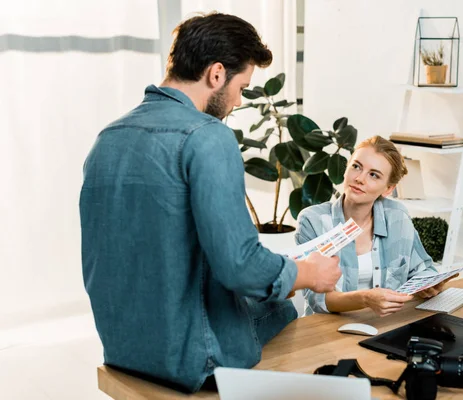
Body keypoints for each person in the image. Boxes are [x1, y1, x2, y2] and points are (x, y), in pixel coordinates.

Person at [79, 12, 341, 393]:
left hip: (123, 348)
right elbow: (240, 266)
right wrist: (307, 274)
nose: (237, 100)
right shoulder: (207, 136)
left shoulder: (108, 138)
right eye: (242, 86)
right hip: (193, 361)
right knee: (286, 308)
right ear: (216, 74)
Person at [296, 135, 453, 317]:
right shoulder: (312, 220)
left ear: (388, 189)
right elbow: (318, 299)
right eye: (356, 167)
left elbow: (422, 270)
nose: (360, 179)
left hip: (387, 325)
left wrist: (428, 285)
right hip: (327, 332)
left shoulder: (397, 217)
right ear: (346, 169)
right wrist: (366, 299)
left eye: (373, 175)